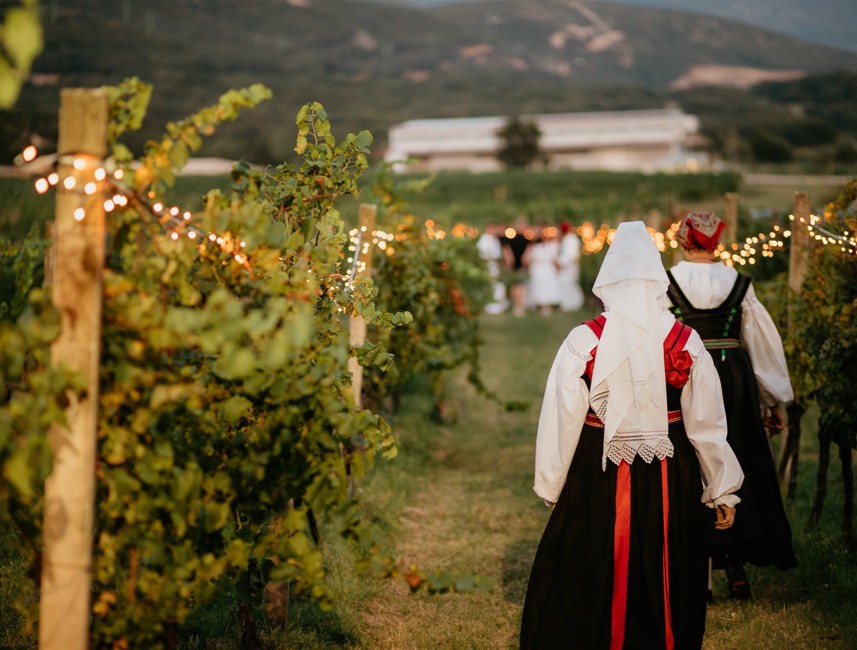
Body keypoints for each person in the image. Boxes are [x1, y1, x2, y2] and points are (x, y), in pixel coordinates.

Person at [520, 221, 743, 650]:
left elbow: (561, 416)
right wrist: (721, 488)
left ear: (609, 279)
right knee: (662, 557)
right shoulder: (685, 339)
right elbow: (707, 424)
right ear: (657, 280)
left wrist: (551, 480)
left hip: (597, 469)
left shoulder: (583, 339)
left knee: (595, 553)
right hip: (669, 468)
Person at [666, 210, 797, 599]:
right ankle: (735, 564)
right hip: (733, 378)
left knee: (690, 460)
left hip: (684, 372)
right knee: (737, 455)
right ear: (717, 243)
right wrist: (770, 398)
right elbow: (759, 342)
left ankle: (699, 570)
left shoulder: (667, 281)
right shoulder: (738, 282)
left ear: (685, 241)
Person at [526, 225, 562, 315]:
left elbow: (555, 258)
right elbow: (526, 259)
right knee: (538, 286)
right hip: (537, 269)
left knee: (547, 286)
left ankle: (547, 304)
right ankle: (539, 304)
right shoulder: (533, 247)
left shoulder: (553, 245)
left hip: (547, 269)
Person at [501, 215, 532, 316]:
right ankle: (517, 305)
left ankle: (519, 305)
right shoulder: (512, 238)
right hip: (515, 265)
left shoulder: (527, 239)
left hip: (520, 265)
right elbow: (507, 251)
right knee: (516, 286)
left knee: (520, 286)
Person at [476, 222, 509, 314]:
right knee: (492, 284)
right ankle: (492, 306)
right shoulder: (485, 239)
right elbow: (482, 254)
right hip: (489, 265)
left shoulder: (494, 239)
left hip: (495, 265)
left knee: (497, 285)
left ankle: (498, 304)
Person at [556, 221, 585, 312]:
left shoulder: (570, 240)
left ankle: (571, 304)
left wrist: (560, 262)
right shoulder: (570, 239)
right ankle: (568, 303)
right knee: (567, 285)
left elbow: (570, 256)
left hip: (569, 268)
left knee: (568, 284)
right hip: (568, 267)